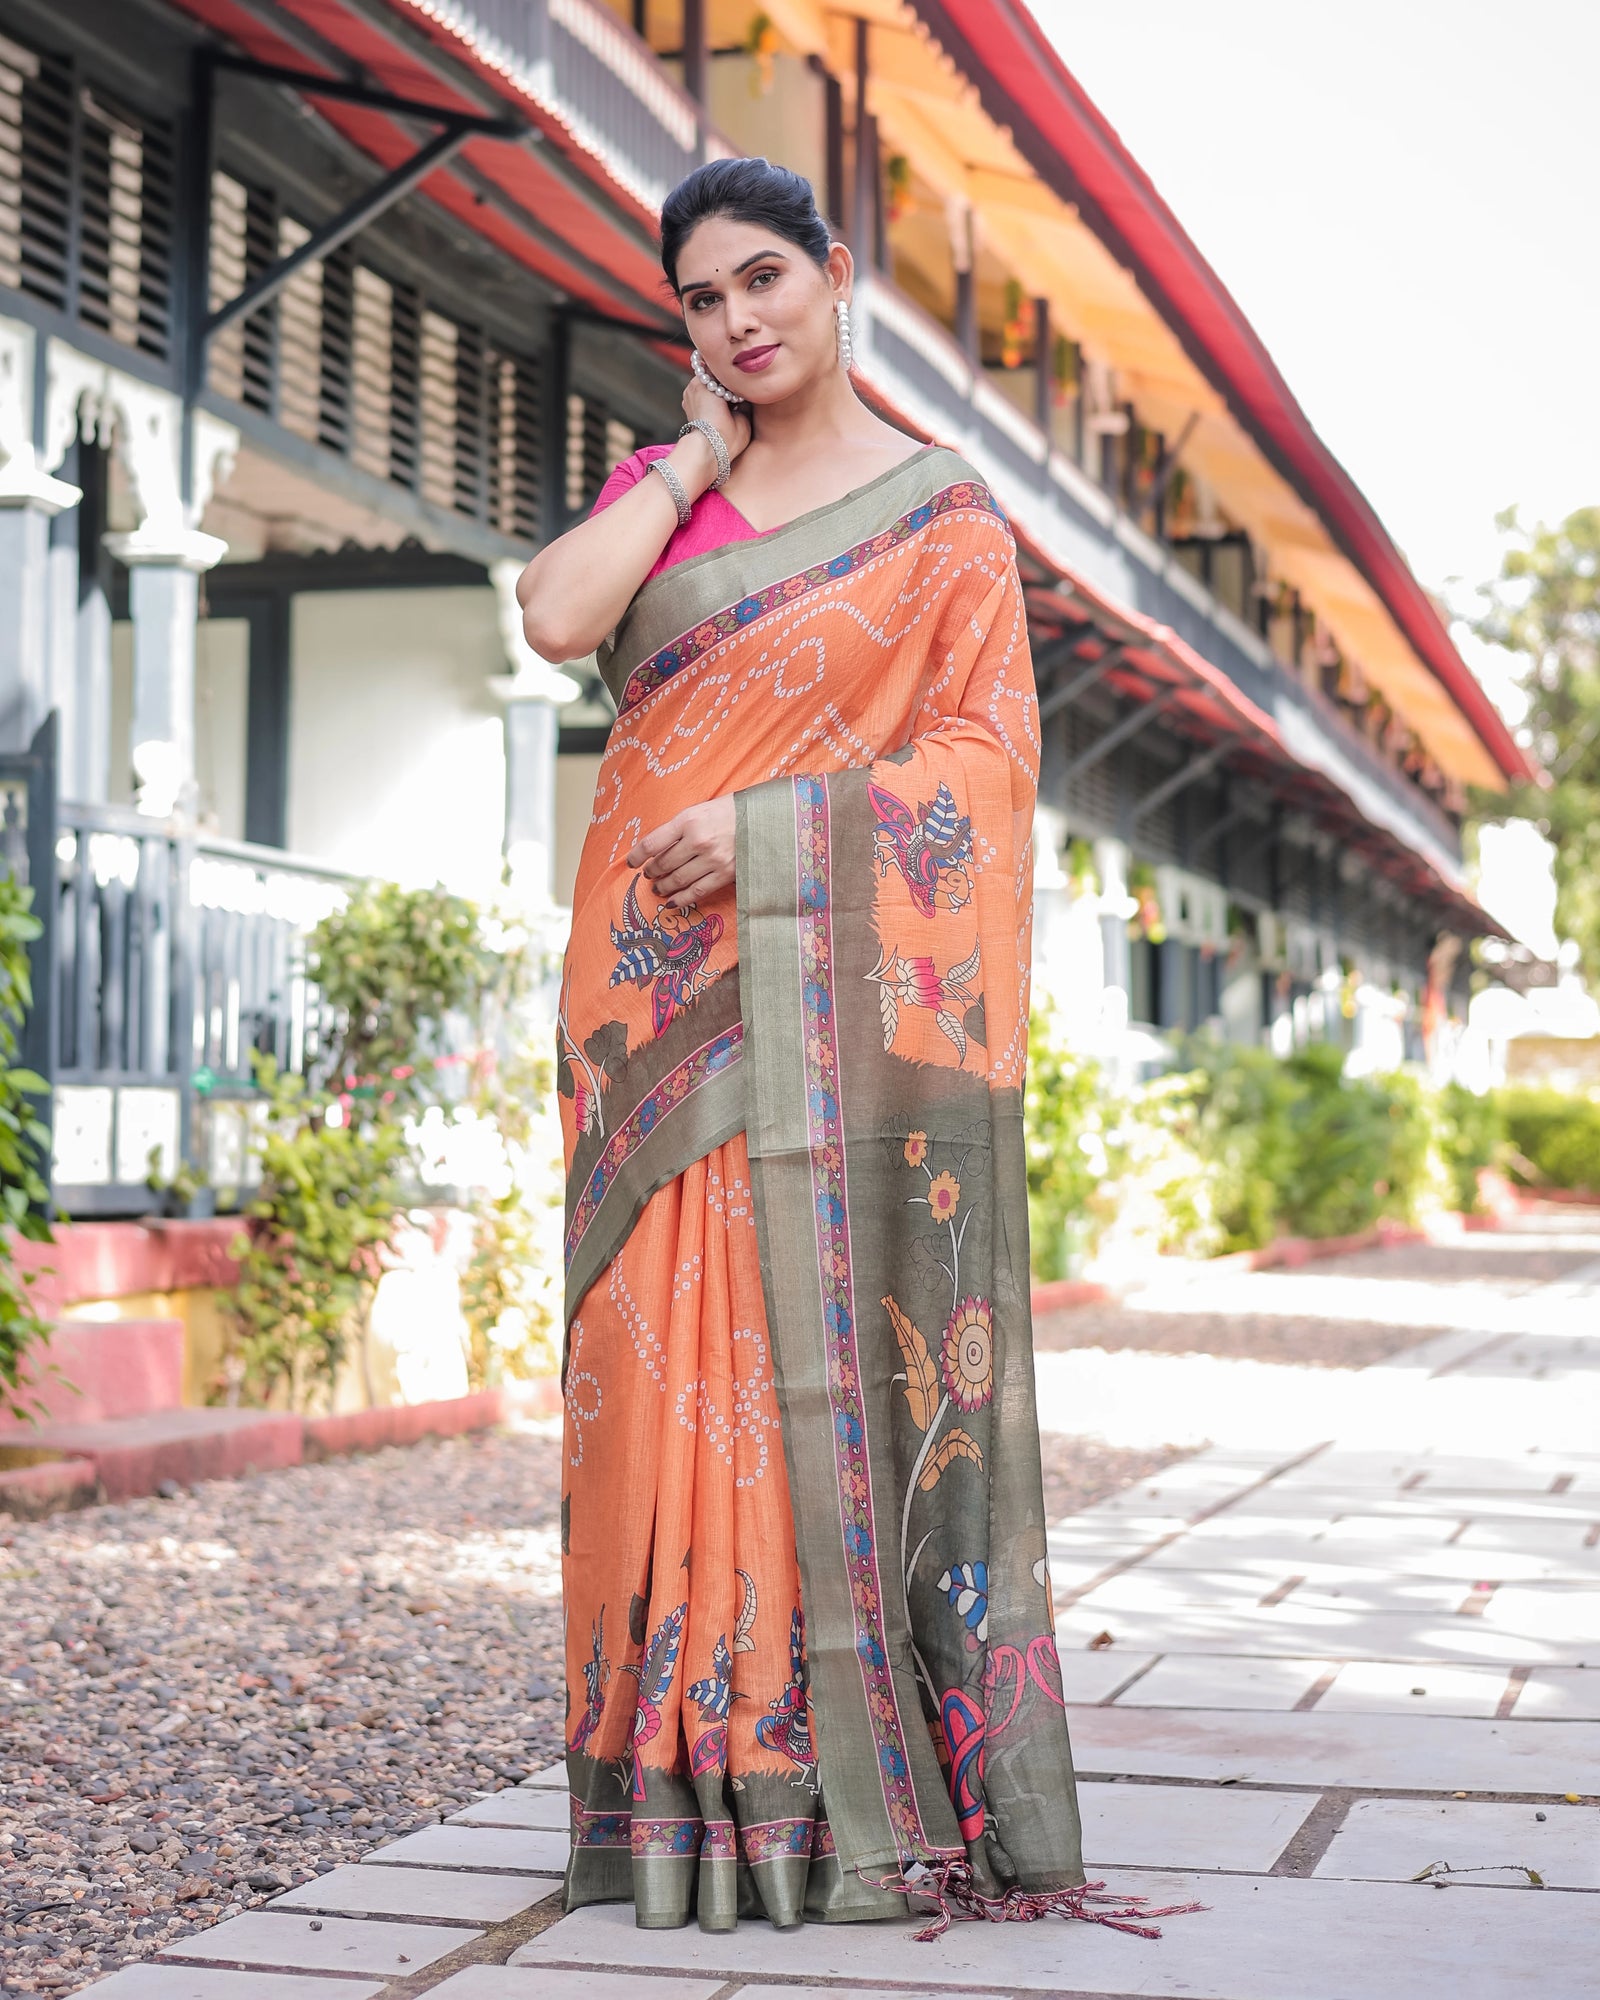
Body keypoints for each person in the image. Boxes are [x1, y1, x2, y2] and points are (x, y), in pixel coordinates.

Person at [518, 156, 1174, 1942]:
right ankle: (666, 1799)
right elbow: (558, 620)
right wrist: (683, 470)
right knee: (656, 1398)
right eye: (700, 303)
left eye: (761, 283)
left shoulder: (942, 522)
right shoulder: (676, 496)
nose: (737, 323)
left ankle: (822, 1793)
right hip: (649, 1019)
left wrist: (773, 832)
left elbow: (987, 778)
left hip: (816, 1017)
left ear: (834, 275)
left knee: (799, 1372)